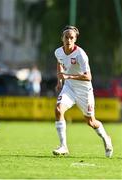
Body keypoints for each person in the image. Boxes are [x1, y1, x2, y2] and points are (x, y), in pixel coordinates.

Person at [53, 25, 113, 158]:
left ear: (75, 39)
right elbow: (59, 62)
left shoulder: (81, 54)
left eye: (71, 37)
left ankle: (106, 138)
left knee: (91, 121)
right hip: (69, 88)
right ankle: (63, 146)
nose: (69, 40)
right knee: (58, 110)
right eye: (66, 37)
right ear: (62, 38)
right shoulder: (58, 52)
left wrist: (68, 76)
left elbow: (88, 77)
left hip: (84, 91)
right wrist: (60, 81)